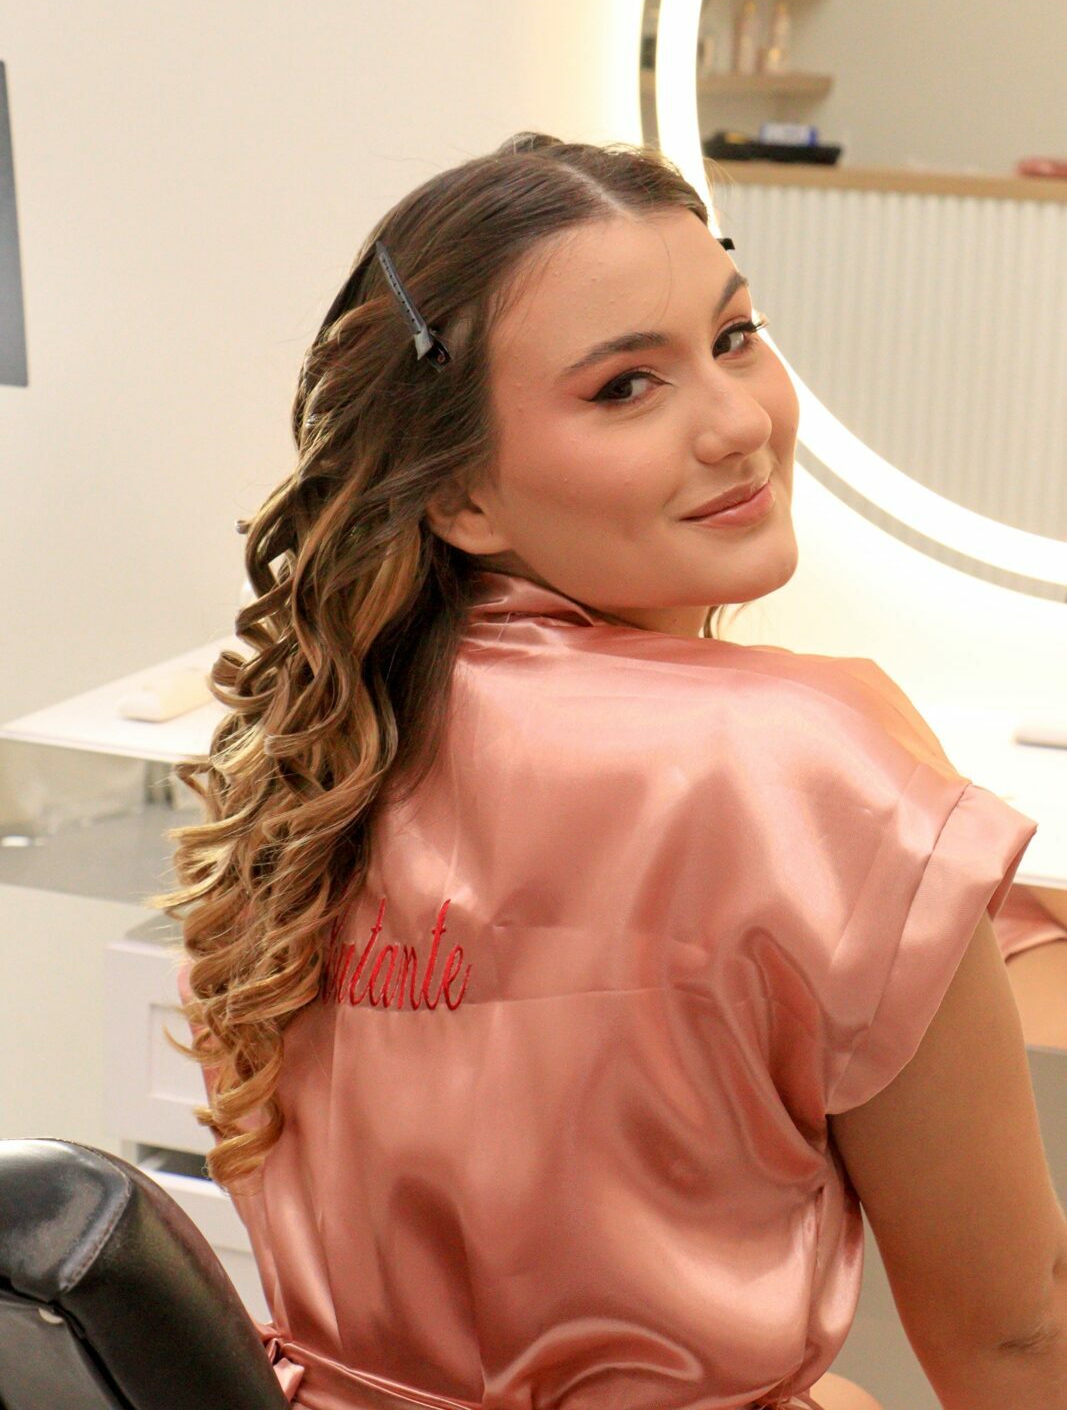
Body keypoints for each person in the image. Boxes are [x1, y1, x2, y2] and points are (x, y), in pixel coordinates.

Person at [159, 134, 1067, 1410]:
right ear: (461, 495)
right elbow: (1015, 1335)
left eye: (734, 338)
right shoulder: (800, 762)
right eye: (625, 387)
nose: (738, 422)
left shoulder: (313, 757)